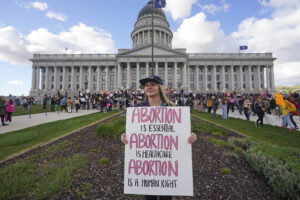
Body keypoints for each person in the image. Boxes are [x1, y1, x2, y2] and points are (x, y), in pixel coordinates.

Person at [121, 75, 197, 200]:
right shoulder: (138, 109)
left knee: (166, 197)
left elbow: (181, 133)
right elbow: (130, 132)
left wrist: (192, 136)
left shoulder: (171, 108)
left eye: (152, 84)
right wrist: (123, 137)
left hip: (166, 167)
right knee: (149, 196)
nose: (149, 87)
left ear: (160, 87)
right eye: (146, 85)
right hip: (148, 166)